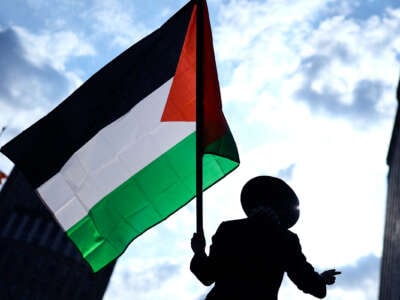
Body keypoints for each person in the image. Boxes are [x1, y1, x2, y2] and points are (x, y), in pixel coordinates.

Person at [190, 176, 340, 300]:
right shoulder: (284, 239)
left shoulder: (230, 229)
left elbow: (207, 276)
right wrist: (199, 252)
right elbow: (207, 276)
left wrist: (199, 252)